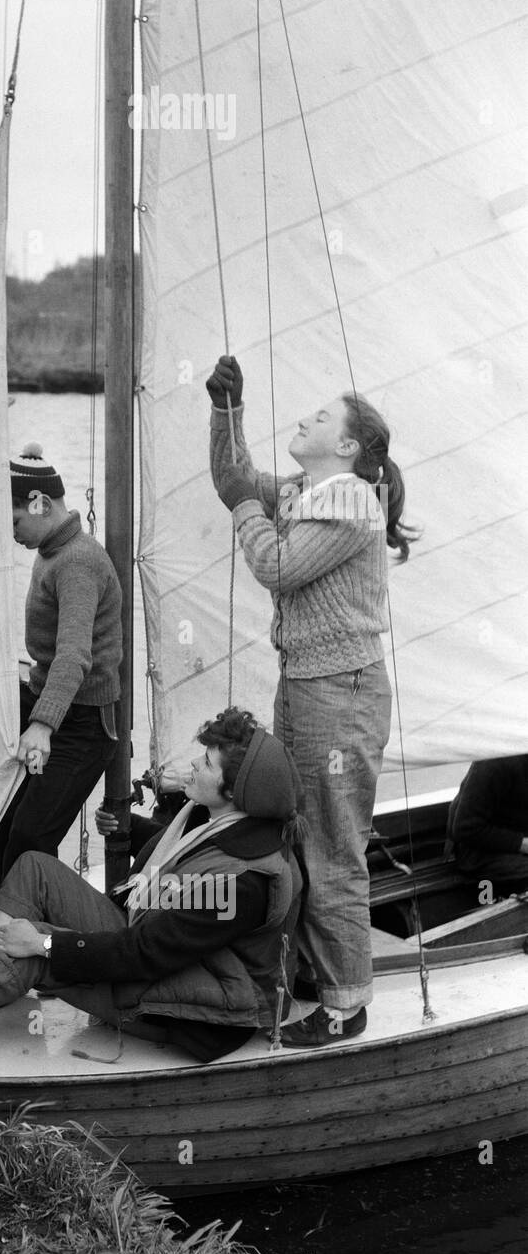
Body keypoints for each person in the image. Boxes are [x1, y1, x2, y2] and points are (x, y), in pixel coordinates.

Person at [0, 709, 305, 1062]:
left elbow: (142, 953)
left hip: (207, 1010)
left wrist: (44, 943)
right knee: (34, 865)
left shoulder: (243, 883)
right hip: (176, 957)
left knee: (29, 948)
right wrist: (137, 833)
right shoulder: (222, 827)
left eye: (207, 764)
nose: (194, 765)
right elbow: (184, 870)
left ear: (235, 792)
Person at [205, 354, 417, 1047]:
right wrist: (225, 411)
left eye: (321, 417)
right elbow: (234, 480)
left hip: (338, 695)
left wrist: (244, 509)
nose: (305, 419)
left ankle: (345, 1005)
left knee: (330, 847)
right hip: (307, 687)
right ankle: (310, 979)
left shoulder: (349, 497)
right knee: (299, 836)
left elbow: (276, 565)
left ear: (349, 447)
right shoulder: (304, 488)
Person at [0, 443, 123, 974]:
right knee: (7, 830)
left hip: (81, 724)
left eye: (13, 518)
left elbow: (75, 656)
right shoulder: (52, 550)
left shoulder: (77, 561)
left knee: (33, 839)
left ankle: (25, 952)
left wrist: (40, 724)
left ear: (38, 502)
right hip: (50, 705)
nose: (10, 531)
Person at [446, 755, 528, 895]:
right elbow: (465, 828)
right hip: (475, 850)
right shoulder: (496, 761)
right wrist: (522, 844)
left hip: (515, 835)